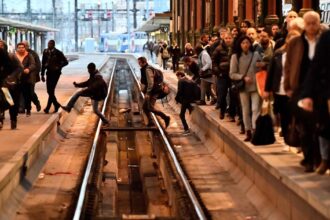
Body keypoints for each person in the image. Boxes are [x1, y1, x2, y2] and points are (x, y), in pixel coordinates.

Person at [284, 11, 321, 172]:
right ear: (304, 25)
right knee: (304, 126)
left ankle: (318, 158)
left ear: (319, 24)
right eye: (309, 23)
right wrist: (287, 87)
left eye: (315, 23)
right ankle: (308, 158)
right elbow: (288, 66)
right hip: (300, 88)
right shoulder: (295, 43)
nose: (312, 26)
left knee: (318, 126)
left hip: (320, 89)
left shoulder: (324, 40)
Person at [299, 30, 330, 174]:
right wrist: (307, 94)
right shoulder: (326, 37)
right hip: (327, 93)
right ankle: (325, 159)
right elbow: (315, 67)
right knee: (324, 128)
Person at [230, 36, 262, 141]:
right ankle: (248, 131)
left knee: (255, 109)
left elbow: (262, 67)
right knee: (245, 110)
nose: (245, 45)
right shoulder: (235, 57)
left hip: (255, 86)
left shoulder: (256, 55)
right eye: (243, 43)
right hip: (243, 87)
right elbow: (232, 74)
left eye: (247, 42)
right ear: (240, 44)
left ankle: (255, 130)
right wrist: (243, 77)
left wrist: (261, 65)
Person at [137, 56, 170, 128]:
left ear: (144, 62)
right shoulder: (145, 68)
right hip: (152, 91)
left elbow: (150, 82)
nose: (138, 64)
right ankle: (151, 122)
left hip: (153, 91)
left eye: (139, 62)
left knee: (150, 107)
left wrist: (148, 93)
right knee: (145, 107)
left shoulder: (147, 69)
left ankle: (165, 117)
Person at [0, 40, 23, 129]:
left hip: (10, 83)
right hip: (1, 82)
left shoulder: (11, 56)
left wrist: (10, 77)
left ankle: (13, 120)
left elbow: (20, 68)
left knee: (10, 102)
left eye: (1, 45)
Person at [41, 40, 68, 114]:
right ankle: (56, 105)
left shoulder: (58, 52)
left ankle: (48, 108)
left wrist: (58, 67)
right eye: (48, 44)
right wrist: (42, 74)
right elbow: (43, 63)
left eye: (50, 44)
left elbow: (66, 62)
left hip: (56, 74)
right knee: (49, 91)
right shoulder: (45, 52)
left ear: (53, 45)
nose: (49, 45)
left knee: (51, 90)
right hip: (48, 73)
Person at [15, 42, 36, 116]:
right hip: (16, 78)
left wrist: (28, 69)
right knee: (16, 95)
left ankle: (28, 110)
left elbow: (33, 64)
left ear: (25, 48)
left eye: (22, 47)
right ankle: (17, 109)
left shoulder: (29, 55)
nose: (21, 49)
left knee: (27, 95)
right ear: (17, 48)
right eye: (19, 47)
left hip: (26, 78)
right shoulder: (14, 56)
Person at [22, 41, 41, 112]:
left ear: (27, 46)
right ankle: (24, 108)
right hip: (22, 77)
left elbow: (38, 65)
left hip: (31, 77)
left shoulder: (33, 54)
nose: (22, 48)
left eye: (24, 46)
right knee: (23, 93)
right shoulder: (18, 54)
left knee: (31, 93)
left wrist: (34, 74)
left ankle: (36, 103)